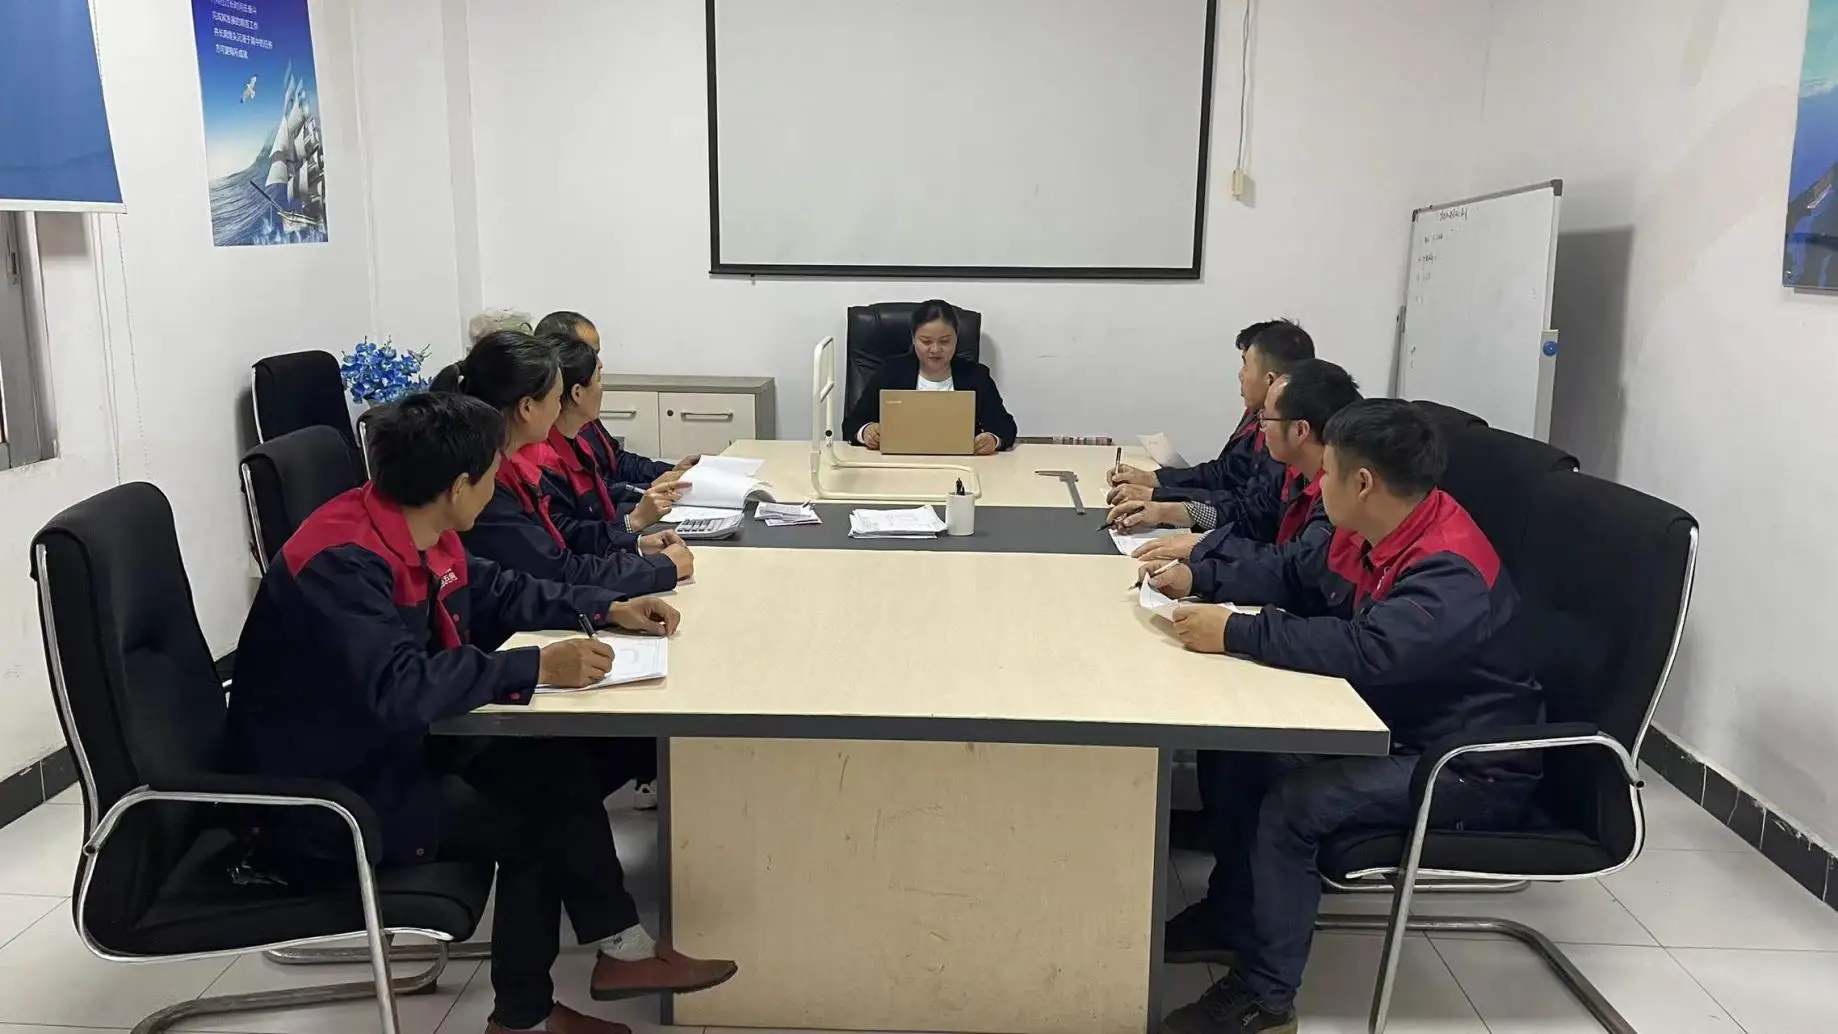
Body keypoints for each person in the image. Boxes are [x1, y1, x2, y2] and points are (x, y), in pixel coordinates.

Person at [225, 392, 737, 1034]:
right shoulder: (343, 563)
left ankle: (621, 953)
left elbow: (499, 588)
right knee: (533, 825)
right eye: (492, 474)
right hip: (328, 795)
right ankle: (527, 1018)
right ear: (458, 487)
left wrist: (606, 607)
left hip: (389, 745)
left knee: (553, 764)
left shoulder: (406, 521)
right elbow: (400, 687)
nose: (500, 486)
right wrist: (535, 667)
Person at [1157, 399, 1543, 1034]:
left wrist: (1236, 633)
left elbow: (1369, 652)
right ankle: (1232, 917)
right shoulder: (1378, 526)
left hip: (1466, 765)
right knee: (1237, 751)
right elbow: (1293, 571)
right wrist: (1200, 573)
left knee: (1296, 802)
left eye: (1327, 472)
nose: (1317, 483)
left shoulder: (1447, 566)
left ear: (1362, 482)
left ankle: (1265, 997)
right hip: (1402, 721)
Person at [430, 331, 693, 596]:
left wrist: (634, 545)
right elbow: (554, 571)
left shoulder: (508, 465)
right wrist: (658, 568)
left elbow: (557, 545)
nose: (559, 410)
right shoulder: (488, 482)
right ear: (527, 408)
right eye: (556, 399)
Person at [1133, 359, 1361, 587]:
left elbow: (1295, 567)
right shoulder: (1294, 471)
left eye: (1266, 418)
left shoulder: (1339, 495)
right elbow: (1253, 515)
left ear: (1299, 430)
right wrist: (1173, 511)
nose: (1261, 427)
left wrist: (1205, 554)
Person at [1108, 320, 1315, 527]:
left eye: (1245, 364)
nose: (1240, 375)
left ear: (1270, 380)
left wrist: (1162, 500)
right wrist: (1155, 482)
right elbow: (1225, 473)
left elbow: (1258, 516)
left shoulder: (1288, 438)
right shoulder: (1258, 416)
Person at [536, 310, 697, 497]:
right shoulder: (546, 440)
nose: (599, 363)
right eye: (590, 353)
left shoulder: (581, 417)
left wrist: (671, 472)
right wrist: (647, 490)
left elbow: (616, 461)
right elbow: (590, 500)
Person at [539, 335, 683, 533]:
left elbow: (601, 494)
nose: (602, 388)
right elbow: (567, 536)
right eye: (598, 378)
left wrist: (650, 487)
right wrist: (632, 523)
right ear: (577, 393)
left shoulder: (578, 439)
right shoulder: (545, 462)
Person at [841, 299, 1017, 455]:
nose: (935, 349)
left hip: (960, 466)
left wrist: (993, 439)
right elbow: (852, 423)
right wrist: (866, 431)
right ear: (913, 339)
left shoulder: (976, 375)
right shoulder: (890, 372)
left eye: (944, 341)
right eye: (926, 341)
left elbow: (1006, 428)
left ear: (956, 339)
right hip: (899, 466)